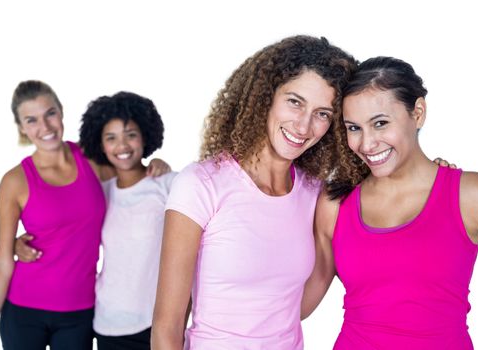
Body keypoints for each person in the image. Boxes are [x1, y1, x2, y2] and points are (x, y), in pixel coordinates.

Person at [151, 35, 358, 349]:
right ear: (266, 96)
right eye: (295, 102)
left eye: (322, 114)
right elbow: (167, 327)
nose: (303, 126)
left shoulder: (315, 194)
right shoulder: (201, 184)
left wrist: (433, 171)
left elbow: (291, 309)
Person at [301, 57, 478, 349]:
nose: (367, 144)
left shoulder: (468, 195)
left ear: (418, 113)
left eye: (380, 123)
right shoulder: (336, 204)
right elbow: (308, 294)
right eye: (354, 128)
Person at [0, 80, 108, 350]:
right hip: (23, 312)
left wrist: (157, 164)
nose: (45, 127)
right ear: (22, 128)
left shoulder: (92, 159)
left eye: (50, 113)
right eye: (32, 120)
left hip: (80, 311)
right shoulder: (14, 181)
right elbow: (3, 261)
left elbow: (133, 181)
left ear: (61, 112)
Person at [79, 91, 176, 349]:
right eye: (111, 138)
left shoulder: (169, 184)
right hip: (109, 322)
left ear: (145, 136)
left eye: (130, 135)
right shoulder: (100, 193)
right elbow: (64, 232)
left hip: (157, 322)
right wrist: (18, 243)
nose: (122, 146)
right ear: (100, 144)